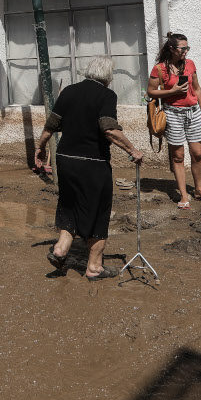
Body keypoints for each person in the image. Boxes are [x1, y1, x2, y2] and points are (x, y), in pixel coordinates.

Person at [34, 56, 143, 281]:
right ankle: (94, 267)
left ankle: (61, 249)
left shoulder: (69, 91)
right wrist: (133, 150)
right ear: (108, 77)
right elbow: (109, 128)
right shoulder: (106, 95)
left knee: (70, 203)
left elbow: (51, 124)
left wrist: (41, 147)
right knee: (97, 211)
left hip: (64, 160)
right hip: (92, 164)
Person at [147, 32, 201, 211]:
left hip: (193, 113)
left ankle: (199, 189)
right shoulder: (160, 69)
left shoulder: (190, 64)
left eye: (187, 48)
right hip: (173, 114)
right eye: (182, 48)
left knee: (197, 153)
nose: (186, 51)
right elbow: (151, 92)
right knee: (178, 156)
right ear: (171, 49)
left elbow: (197, 89)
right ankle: (184, 195)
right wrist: (172, 91)